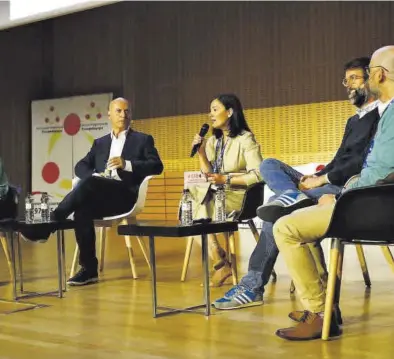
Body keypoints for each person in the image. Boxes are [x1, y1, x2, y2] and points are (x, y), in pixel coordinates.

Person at [213, 57, 380, 309]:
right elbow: (339, 159)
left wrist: (323, 179)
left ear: (372, 79)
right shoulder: (353, 121)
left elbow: (360, 162)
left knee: (276, 212)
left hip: (347, 189)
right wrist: (314, 177)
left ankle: (252, 287)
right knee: (270, 164)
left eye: (354, 78)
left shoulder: (381, 116)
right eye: (346, 80)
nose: (348, 85)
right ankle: (293, 195)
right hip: (327, 181)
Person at [273, 45, 394, 341]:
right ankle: (327, 308)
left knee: (286, 226)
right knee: (302, 216)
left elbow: (383, 173)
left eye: (366, 74)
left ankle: (319, 312)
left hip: (372, 207)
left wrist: (342, 196)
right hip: (365, 199)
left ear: (377, 74)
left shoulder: (391, 115)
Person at [51, 97, 163, 286]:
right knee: (82, 210)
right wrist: (94, 173)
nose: (123, 115)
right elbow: (81, 165)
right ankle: (89, 270)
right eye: (118, 111)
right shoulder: (100, 143)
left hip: (125, 196)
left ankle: (53, 220)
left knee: (90, 184)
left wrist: (127, 164)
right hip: (101, 195)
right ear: (109, 114)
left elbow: (157, 166)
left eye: (127, 111)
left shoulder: (142, 140)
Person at [188, 93, 262, 286]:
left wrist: (227, 179)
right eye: (210, 110)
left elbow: (258, 174)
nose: (210, 115)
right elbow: (208, 174)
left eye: (215, 110)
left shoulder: (246, 139)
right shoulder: (213, 141)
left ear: (229, 112)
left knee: (198, 206)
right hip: (217, 194)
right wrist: (201, 153)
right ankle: (219, 259)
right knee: (189, 206)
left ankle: (221, 265)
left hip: (241, 196)